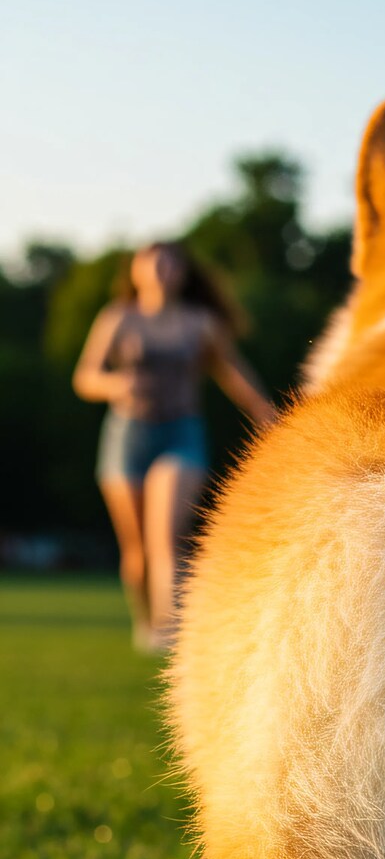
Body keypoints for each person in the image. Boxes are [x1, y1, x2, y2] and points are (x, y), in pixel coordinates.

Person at [73, 241, 275, 651]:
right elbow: (85, 378)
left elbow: (234, 373)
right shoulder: (118, 319)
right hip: (128, 436)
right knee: (136, 550)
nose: (163, 270)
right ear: (137, 272)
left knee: (166, 536)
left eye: (171, 263)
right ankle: (145, 620)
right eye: (154, 263)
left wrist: (267, 413)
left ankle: (167, 630)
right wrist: (115, 383)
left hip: (181, 433)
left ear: (182, 273)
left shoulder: (199, 323)